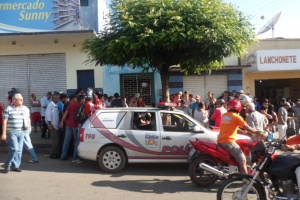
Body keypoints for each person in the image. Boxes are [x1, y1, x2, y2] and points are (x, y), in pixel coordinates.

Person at [217, 100, 263, 174]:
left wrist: (243, 132)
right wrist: (257, 132)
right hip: (228, 142)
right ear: (238, 108)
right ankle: (245, 179)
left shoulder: (225, 115)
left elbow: (230, 126)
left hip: (220, 140)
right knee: (243, 160)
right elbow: (247, 127)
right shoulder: (237, 117)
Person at [1, 93, 30, 173]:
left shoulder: (23, 109)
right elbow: (4, 121)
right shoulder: (8, 109)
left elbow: (26, 118)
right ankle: (7, 164)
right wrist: (4, 133)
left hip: (21, 131)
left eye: (22, 99)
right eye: (20, 99)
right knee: (14, 148)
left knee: (19, 150)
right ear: (14, 100)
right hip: (11, 132)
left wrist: (27, 125)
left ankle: (16, 166)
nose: (22, 100)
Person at [59, 94, 83, 163]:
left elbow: (65, 113)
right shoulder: (80, 105)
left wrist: (62, 121)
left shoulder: (71, 105)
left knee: (66, 140)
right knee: (77, 141)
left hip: (69, 124)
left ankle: (63, 155)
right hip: (76, 125)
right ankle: (75, 157)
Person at [45, 93, 60, 159]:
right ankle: (52, 154)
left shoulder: (55, 105)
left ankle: (55, 153)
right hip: (53, 125)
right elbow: (48, 116)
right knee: (55, 141)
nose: (58, 99)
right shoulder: (50, 105)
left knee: (56, 141)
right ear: (54, 98)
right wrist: (50, 125)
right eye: (58, 98)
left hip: (56, 125)